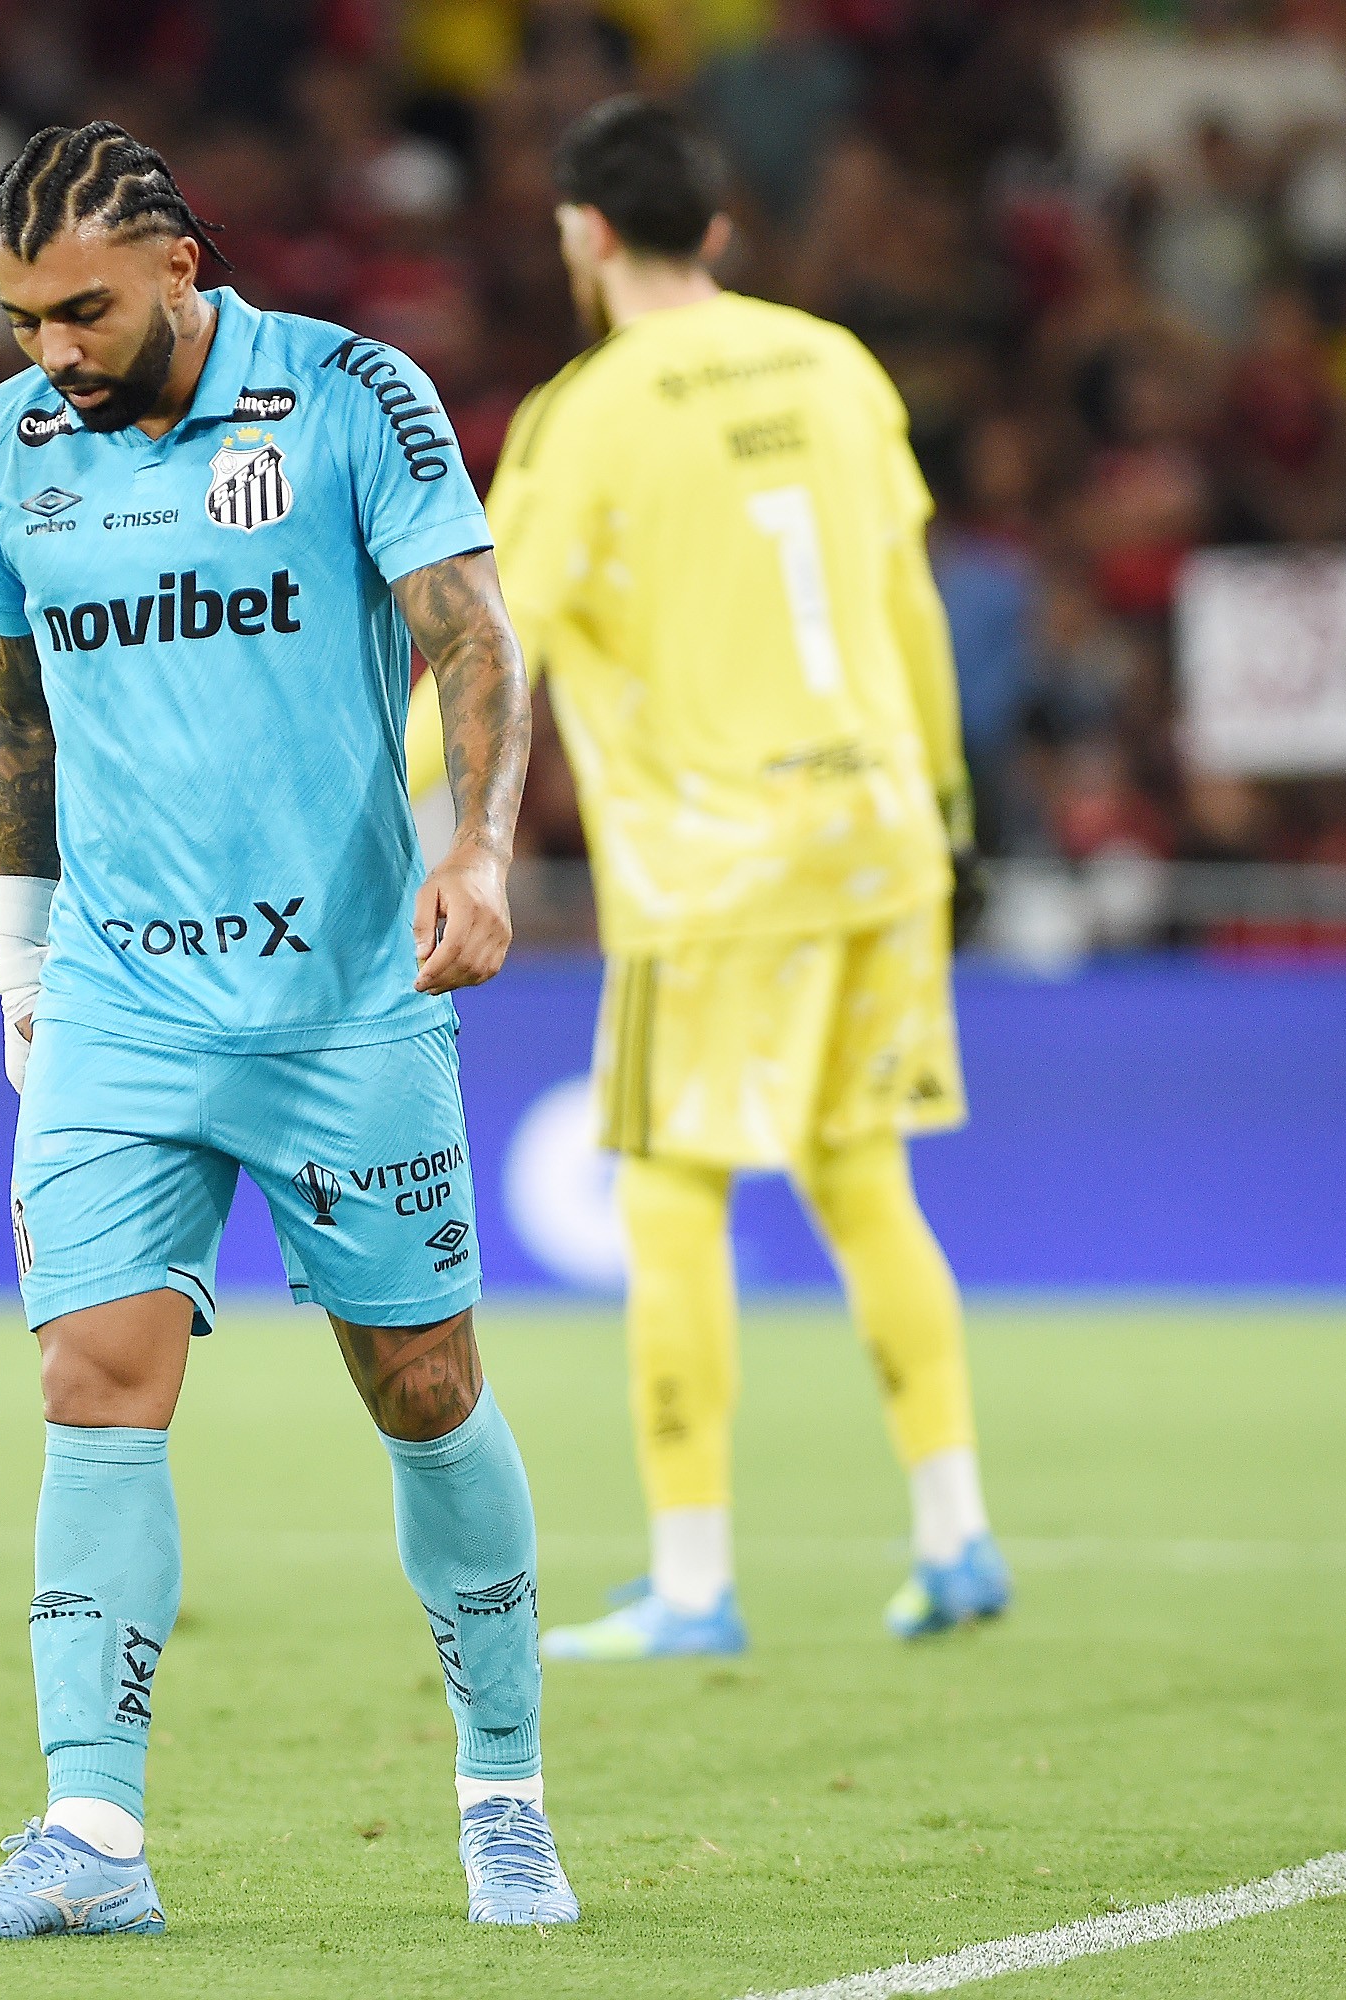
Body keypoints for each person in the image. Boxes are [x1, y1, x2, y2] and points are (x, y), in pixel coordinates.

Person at [0, 122, 570, 1939]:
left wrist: (485, 857)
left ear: (184, 265)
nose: (53, 350)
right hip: (122, 1001)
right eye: (24, 317)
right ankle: (91, 1838)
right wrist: (21, 955)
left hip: (345, 996)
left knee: (421, 1389)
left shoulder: (354, 397)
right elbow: (12, 712)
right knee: (92, 1383)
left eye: (85, 311)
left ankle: (502, 1792)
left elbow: (477, 640)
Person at [406, 97, 1004, 1660]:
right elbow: (911, 609)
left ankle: (689, 1581)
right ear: (718, 231)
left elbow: (492, 646)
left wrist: (376, 790)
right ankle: (955, 1535)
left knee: (671, 1194)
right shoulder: (834, 366)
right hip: (879, 830)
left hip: (721, 863)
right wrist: (941, 804)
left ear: (587, 233)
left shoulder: (589, 416)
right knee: (864, 1179)